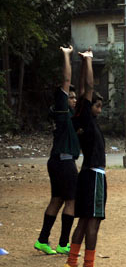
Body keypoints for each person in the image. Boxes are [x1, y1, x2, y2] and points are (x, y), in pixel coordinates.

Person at [60, 49, 106, 267]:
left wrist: (81, 61)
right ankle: (88, 266)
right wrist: (87, 59)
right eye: (97, 105)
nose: (99, 109)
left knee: (84, 220)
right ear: (90, 106)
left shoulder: (78, 116)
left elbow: (82, 86)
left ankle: (71, 264)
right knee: (93, 222)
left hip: (87, 174)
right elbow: (88, 85)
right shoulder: (85, 116)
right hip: (94, 174)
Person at [34, 45, 79, 255]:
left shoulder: (68, 116)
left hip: (57, 160)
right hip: (63, 161)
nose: (74, 100)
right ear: (63, 98)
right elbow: (66, 79)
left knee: (57, 199)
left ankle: (43, 239)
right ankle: (63, 243)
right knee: (71, 200)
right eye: (71, 97)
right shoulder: (61, 108)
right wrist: (67, 55)